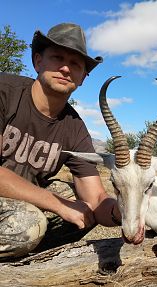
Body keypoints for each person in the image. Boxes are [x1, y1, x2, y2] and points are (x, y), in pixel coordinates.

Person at [0, 23, 121, 258]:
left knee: (81, 206)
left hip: (15, 199)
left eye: (76, 64)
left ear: (83, 77)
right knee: (28, 223)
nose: (66, 68)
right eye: (57, 57)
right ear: (37, 62)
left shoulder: (74, 128)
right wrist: (57, 205)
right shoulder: (5, 91)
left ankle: (23, 259)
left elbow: (95, 199)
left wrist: (124, 211)